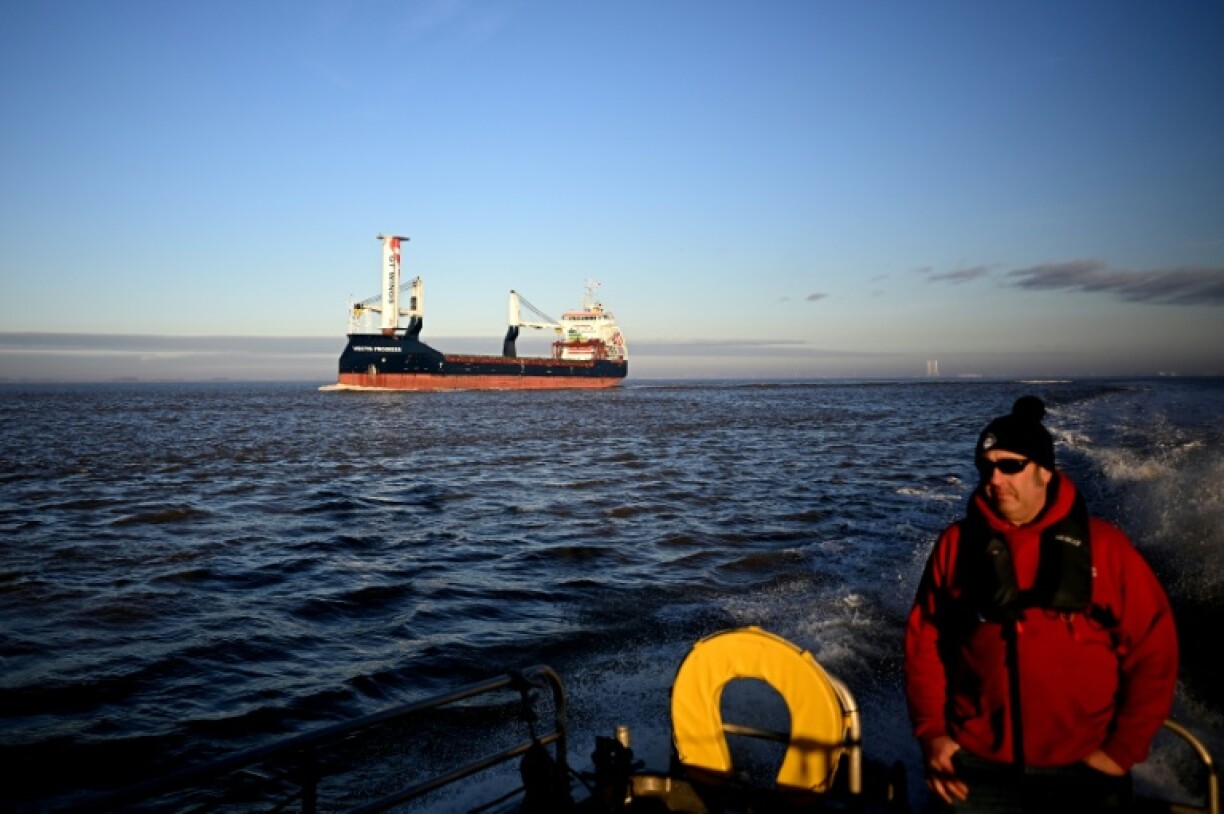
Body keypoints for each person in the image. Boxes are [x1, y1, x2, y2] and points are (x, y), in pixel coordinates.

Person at [904, 396, 1178, 813]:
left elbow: (1154, 649)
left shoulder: (1105, 547)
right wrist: (932, 734)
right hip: (975, 764)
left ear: (1045, 471)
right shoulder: (956, 545)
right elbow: (925, 643)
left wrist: (1122, 750)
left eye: (1011, 465)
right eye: (986, 467)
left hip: (1085, 766)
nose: (995, 478)